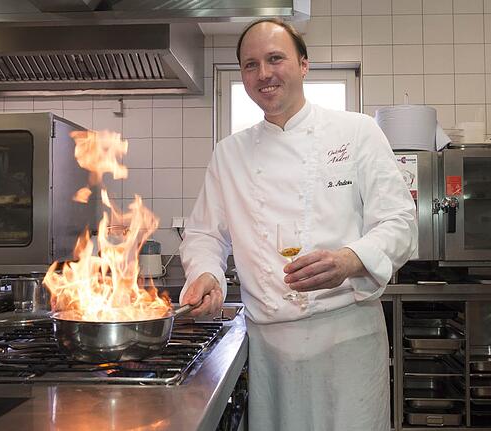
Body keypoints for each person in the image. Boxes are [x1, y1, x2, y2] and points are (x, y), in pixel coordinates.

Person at [178, 18, 418, 431]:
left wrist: (350, 259)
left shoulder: (356, 131)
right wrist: (206, 273)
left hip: (348, 339)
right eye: (250, 65)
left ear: (303, 65)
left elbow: (400, 222)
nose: (264, 74)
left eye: (275, 59)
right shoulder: (228, 154)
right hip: (270, 347)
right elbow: (204, 234)